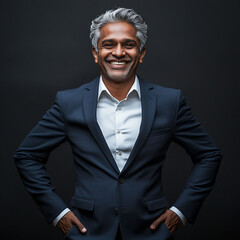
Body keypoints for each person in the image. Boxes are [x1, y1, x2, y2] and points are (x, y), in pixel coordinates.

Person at [14, 7, 222, 240]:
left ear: (141, 53)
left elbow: (209, 154)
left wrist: (180, 212)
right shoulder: (69, 102)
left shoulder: (169, 102)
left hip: (151, 232)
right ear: (96, 53)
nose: (119, 52)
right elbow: (26, 155)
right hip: (87, 233)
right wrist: (58, 213)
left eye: (129, 44)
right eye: (109, 44)